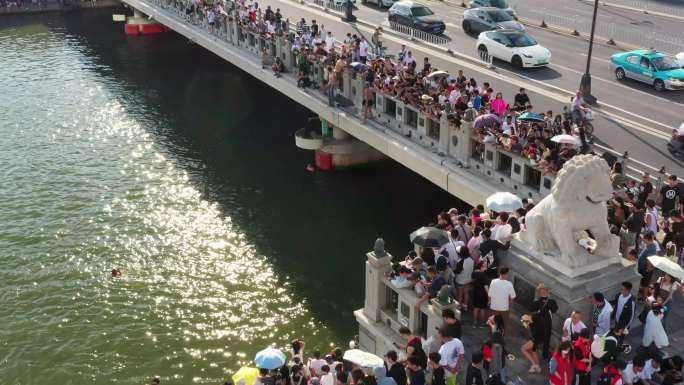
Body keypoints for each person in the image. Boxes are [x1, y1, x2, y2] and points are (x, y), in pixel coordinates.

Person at [529, 284, 558, 359]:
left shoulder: (537, 301)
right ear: (547, 292)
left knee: (536, 337)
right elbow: (554, 310)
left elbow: (531, 310)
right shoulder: (552, 302)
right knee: (547, 339)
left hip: (538, 323)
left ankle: (534, 350)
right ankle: (545, 355)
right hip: (547, 323)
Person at [488, 267, 516, 332]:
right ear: (505, 274)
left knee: (492, 322)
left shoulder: (493, 281)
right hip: (504, 308)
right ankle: (502, 337)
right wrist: (510, 306)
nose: (508, 275)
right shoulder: (509, 284)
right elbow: (512, 297)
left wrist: (489, 302)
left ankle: (492, 336)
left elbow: (490, 295)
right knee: (504, 324)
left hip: (494, 306)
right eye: (508, 274)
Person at [471, 261, 490, 328]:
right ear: (481, 266)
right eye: (485, 266)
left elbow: (472, 280)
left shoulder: (474, 272)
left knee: (475, 308)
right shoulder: (484, 276)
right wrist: (489, 296)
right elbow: (486, 288)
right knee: (482, 309)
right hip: (482, 294)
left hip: (475, 292)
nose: (487, 267)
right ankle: (482, 324)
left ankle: (474, 323)